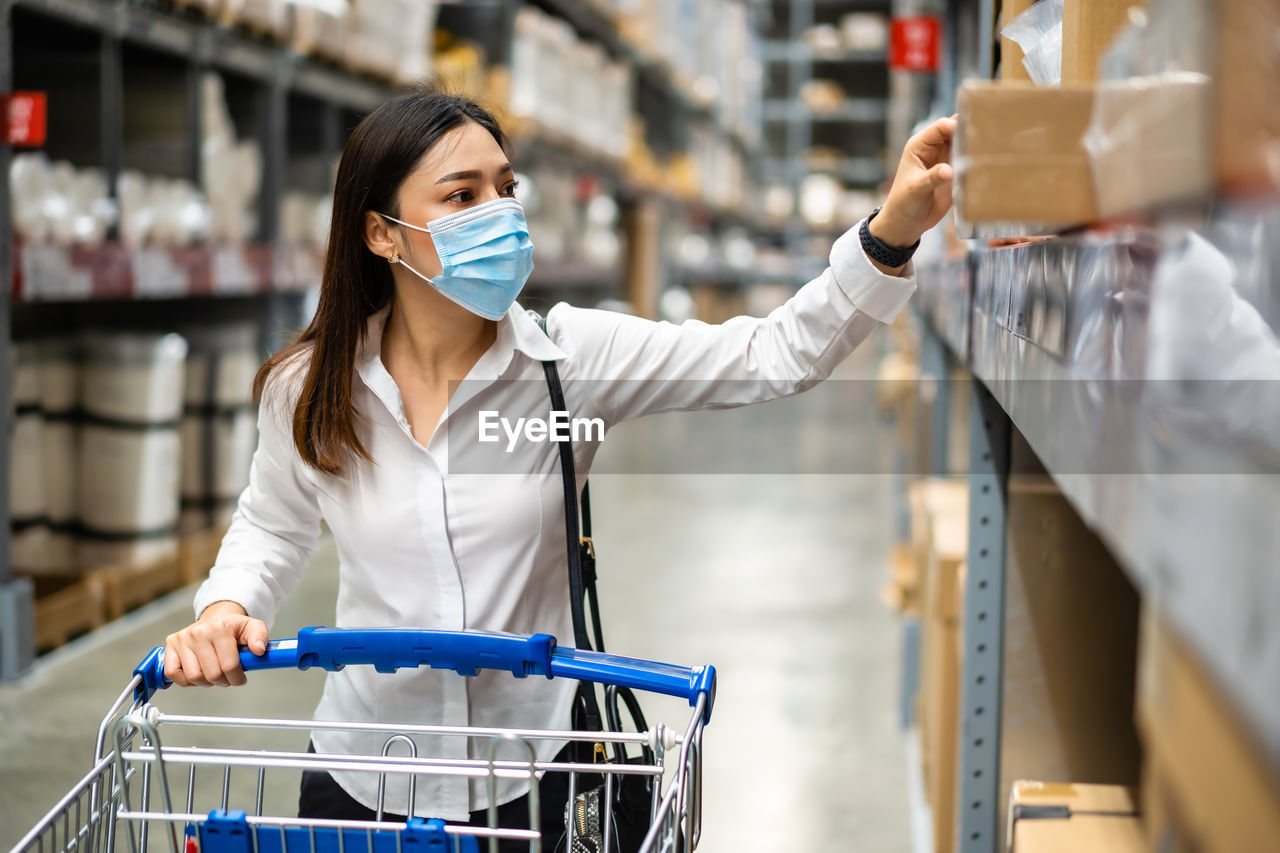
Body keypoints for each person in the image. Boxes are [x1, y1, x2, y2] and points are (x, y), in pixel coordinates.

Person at [164, 90, 955, 844]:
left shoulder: (568, 363)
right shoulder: (313, 384)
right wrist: (226, 605)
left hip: (536, 778)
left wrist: (890, 232)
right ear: (382, 233)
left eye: (506, 187)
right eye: (462, 195)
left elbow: (773, 354)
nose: (500, 213)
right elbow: (272, 519)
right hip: (364, 773)